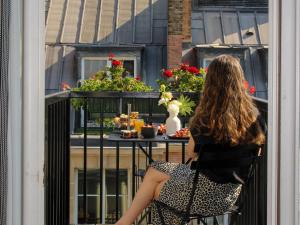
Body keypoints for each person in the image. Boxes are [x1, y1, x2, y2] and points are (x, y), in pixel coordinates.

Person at [115, 55, 266, 225]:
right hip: (230, 196)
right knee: (155, 169)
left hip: (203, 193)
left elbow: (191, 152)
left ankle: (123, 223)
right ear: (239, 80)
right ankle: (124, 223)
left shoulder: (206, 119)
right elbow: (257, 151)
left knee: (158, 189)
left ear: (211, 83)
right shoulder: (255, 117)